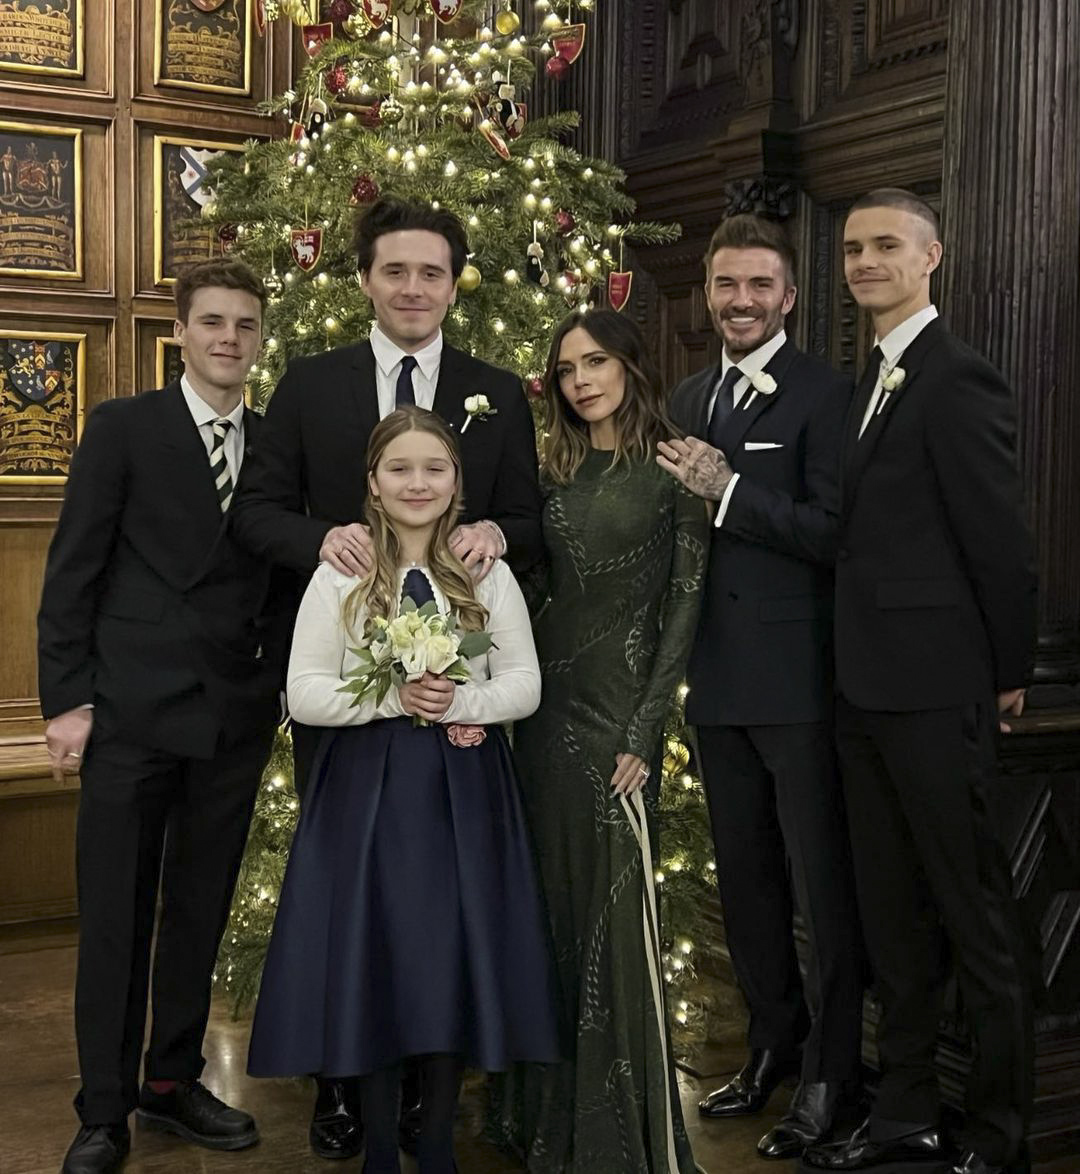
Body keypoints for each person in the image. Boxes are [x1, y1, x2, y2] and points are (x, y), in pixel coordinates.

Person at [230, 195, 543, 1159]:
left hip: (457, 693)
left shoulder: (497, 389)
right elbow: (257, 511)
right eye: (395, 270)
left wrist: (493, 537)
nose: (414, 287)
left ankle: (424, 1098)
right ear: (365, 278)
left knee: (438, 907)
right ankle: (343, 1087)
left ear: (455, 284)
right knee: (352, 896)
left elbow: (527, 519)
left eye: (431, 272)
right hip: (350, 689)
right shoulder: (311, 382)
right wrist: (326, 544)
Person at [246, 406, 559, 1174]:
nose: (418, 483)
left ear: (456, 481)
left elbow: (523, 682)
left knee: (449, 957)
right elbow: (304, 692)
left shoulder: (485, 571)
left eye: (434, 468)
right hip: (368, 793)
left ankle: (438, 1141)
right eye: (400, 469)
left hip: (464, 791)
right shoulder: (341, 574)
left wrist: (461, 702)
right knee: (378, 958)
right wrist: (391, 696)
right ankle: (380, 1149)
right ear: (374, 483)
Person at [803, 189, 1037, 1174]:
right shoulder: (869, 376)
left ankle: (998, 1134)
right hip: (863, 690)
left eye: (886, 245)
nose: (865, 261)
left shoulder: (956, 376)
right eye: (854, 248)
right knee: (890, 917)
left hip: (940, 688)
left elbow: (1001, 540)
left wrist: (1009, 672)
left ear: (931, 256)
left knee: (973, 919)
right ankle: (905, 1114)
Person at [37, 259, 288, 1174]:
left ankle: (172, 1082)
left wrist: (275, 689)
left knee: (198, 910)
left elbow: (286, 576)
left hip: (232, 717)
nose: (229, 338)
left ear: (260, 338)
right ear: (179, 332)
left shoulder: (276, 444)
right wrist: (67, 701)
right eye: (212, 321)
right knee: (115, 916)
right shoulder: (124, 427)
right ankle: (103, 1109)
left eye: (245, 324)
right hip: (127, 715)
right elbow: (74, 569)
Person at [658, 214, 863, 1160]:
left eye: (759, 285)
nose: (740, 301)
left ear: (788, 296)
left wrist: (730, 490)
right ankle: (772, 1045)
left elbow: (836, 534)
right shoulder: (689, 395)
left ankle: (832, 1073)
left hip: (802, 686)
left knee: (822, 889)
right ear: (708, 292)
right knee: (744, 884)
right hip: (715, 683)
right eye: (726, 285)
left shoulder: (829, 394)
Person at [490, 309, 707, 1172]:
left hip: (618, 719)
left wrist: (647, 729)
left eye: (595, 363)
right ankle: (543, 1123)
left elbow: (683, 608)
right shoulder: (553, 470)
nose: (580, 381)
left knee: (615, 925)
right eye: (566, 369)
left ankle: (618, 1143)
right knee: (547, 911)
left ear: (629, 366)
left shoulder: (674, 469)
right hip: (542, 717)